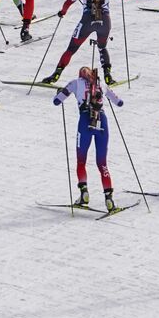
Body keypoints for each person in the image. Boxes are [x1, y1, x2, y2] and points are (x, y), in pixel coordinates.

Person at [53, 66, 125, 211]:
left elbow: (56, 101)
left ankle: (84, 193)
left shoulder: (75, 83)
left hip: (85, 120)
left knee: (81, 161)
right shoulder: (101, 84)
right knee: (102, 163)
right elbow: (119, 102)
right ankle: (109, 199)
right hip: (102, 120)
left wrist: (59, 93)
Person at [45, 0, 132, 84]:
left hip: (87, 21)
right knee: (102, 47)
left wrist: (63, 12)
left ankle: (56, 74)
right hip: (104, 21)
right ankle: (107, 75)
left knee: (71, 49)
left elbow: (68, 2)